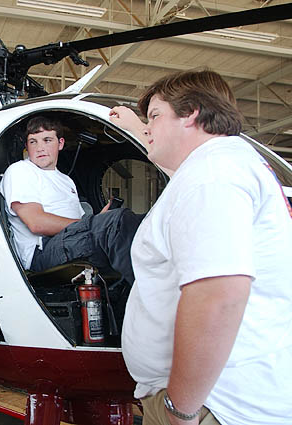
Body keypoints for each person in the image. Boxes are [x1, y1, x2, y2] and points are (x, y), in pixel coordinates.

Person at [110, 70, 292, 425]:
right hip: (220, 399)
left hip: (212, 406)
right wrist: (139, 125)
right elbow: (167, 156)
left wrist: (182, 409)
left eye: (155, 116)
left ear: (191, 112)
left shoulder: (211, 174)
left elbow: (218, 295)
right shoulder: (222, 165)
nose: (149, 129)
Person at [0, 116, 143, 326]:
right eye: (33, 141)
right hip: (42, 252)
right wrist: (94, 223)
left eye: (47, 140)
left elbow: (79, 226)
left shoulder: (66, 181)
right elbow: (36, 222)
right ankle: (150, 302)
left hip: (68, 241)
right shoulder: (21, 171)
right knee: (116, 222)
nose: (40, 147)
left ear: (60, 143)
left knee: (136, 222)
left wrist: (95, 221)